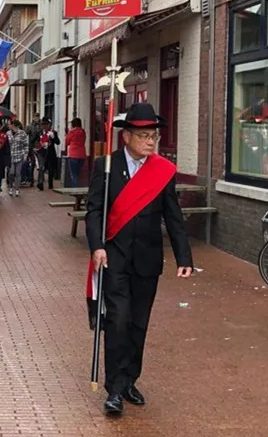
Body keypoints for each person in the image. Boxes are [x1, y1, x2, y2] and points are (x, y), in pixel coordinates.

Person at [85, 102, 193, 417]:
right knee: (117, 319)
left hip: (148, 258)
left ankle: (130, 378)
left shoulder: (161, 171)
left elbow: (173, 216)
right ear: (126, 137)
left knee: (138, 323)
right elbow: (95, 210)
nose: (150, 142)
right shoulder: (106, 166)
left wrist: (183, 255)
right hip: (114, 256)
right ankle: (115, 389)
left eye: (153, 136)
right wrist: (97, 245)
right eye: (144, 135)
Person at [34, 117, 60, 191]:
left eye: (46, 124)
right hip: (41, 152)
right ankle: (40, 183)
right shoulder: (39, 132)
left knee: (51, 169)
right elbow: (34, 141)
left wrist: (53, 137)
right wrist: (39, 144)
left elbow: (58, 142)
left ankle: (50, 184)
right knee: (41, 167)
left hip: (50, 153)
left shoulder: (53, 132)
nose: (44, 126)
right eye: (43, 124)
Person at [6, 119, 29, 197]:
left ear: (13, 125)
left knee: (18, 173)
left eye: (9, 124)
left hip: (19, 155)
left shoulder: (22, 133)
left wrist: (25, 155)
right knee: (11, 173)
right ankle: (10, 187)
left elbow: (26, 144)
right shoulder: (8, 134)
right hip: (11, 156)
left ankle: (17, 189)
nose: (8, 126)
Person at [65, 117, 87, 187]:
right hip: (82, 154)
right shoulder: (83, 131)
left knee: (73, 174)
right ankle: (78, 189)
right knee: (78, 173)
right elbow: (84, 141)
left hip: (73, 155)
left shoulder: (72, 131)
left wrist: (67, 135)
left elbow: (67, 142)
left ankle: (74, 189)